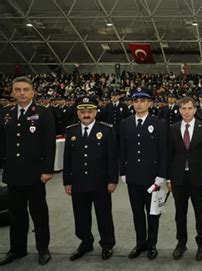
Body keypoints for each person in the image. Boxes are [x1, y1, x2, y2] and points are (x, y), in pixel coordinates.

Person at [0, 76, 56, 266]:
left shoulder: (43, 112)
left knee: (39, 213)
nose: (22, 93)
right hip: (13, 173)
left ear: (33, 92)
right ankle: (17, 249)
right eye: (18, 90)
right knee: (16, 214)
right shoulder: (5, 113)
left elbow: (49, 144)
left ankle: (43, 248)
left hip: (35, 174)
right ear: (12, 92)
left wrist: (48, 170)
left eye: (25, 89)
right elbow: (2, 144)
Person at [63, 96, 118, 261]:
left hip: (100, 182)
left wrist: (112, 180)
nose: (86, 114)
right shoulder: (71, 131)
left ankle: (107, 244)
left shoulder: (107, 130)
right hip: (78, 182)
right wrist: (67, 181)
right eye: (82, 111)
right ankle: (85, 242)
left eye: (89, 111)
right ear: (78, 113)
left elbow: (112, 158)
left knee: (104, 215)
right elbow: (67, 159)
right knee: (80, 215)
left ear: (96, 111)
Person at [119, 88, 168, 259]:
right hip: (133, 177)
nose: (139, 103)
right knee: (137, 213)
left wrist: (162, 175)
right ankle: (140, 243)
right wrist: (122, 172)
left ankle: (152, 244)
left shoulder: (159, 123)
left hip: (152, 178)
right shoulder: (125, 123)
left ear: (149, 103)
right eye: (135, 100)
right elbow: (122, 150)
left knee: (153, 212)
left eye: (142, 100)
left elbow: (163, 151)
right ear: (132, 103)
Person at [167, 96, 202, 261]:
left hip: (198, 178)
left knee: (200, 212)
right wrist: (168, 179)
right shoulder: (172, 128)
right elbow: (169, 155)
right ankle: (181, 242)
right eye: (183, 109)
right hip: (178, 178)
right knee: (180, 213)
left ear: (195, 110)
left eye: (189, 108)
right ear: (179, 110)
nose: (186, 111)